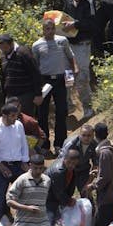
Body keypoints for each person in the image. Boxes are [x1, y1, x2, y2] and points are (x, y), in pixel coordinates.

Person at [32, 18, 78, 153]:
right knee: (42, 113)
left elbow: (70, 56)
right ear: (43, 30)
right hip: (44, 80)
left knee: (62, 111)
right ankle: (45, 145)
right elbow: (34, 65)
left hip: (60, 79)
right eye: (47, 29)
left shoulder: (62, 41)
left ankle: (59, 144)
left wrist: (75, 67)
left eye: (52, 28)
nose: (50, 31)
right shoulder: (37, 45)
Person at [0, 103, 30, 226]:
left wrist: (25, 161)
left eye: (16, 116)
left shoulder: (18, 126)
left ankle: (26, 223)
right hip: (2, 166)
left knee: (25, 193)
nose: (14, 118)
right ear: (4, 116)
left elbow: (24, 144)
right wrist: (0, 166)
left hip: (18, 165)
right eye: (12, 116)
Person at [6, 154, 52, 226]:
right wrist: (27, 208)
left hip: (43, 224)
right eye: (35, 168)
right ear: (30, 165)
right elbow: (9, 200)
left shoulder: (47, 180)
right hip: (25, 225)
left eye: (41, 168)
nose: (38, 170)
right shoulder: (22, 180)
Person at [61, 0, 96, 119]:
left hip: (83, 44)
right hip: (69, 44)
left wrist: (75, 24)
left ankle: (87, 107)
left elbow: (92, 22)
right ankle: (69, 105)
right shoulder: (68, 2)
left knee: (82, 76)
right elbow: (63, 18)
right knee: (67, 75)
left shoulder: (88, 2)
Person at [0, 34, 42, 117]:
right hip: (10, 96)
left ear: (12, 44)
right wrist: (4, 95)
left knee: (25, 120)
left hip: (25, 95)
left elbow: (35, 73)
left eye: (5, 48)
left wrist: (38, 94)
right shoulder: (3, 57)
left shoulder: (23, 53)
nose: (4, 50)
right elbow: (3, 77)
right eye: (2, 48)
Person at [44, 149, 79, 226]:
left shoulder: (70, 168)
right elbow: (59, 192)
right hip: (48, 198)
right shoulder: (58, 172)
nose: (71, 165)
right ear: (65, 158)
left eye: (74, 164)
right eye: (69, 162)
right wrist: (68, 201)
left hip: (56, 196)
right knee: (50, 222)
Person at [59, 124, 98, 193]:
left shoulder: (95, 144)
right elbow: (61, 160)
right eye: (83, 135)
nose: (86, 138)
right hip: (70, 169)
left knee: (85, 192)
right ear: (79, 135)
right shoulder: (71, 143)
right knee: (67, 191)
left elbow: (95, 164)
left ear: (93, 136)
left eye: (89, 135)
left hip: (84, 169)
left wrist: (88, 183)